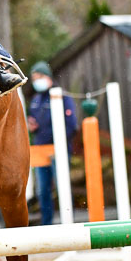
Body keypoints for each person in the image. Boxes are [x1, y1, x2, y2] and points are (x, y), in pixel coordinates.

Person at [27, 61, 77, 225]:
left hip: (59, 150)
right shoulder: (35, 100)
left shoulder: (62, 96)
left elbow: (71, 125)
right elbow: (34, 122)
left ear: (47, 77)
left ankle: (68, 222)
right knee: (42, 191)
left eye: (38, 77)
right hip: (40, 151)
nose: (36, 81)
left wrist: (60, 145)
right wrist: (32, 126)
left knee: (63, 188)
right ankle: (47, 224)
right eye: (33, 78)